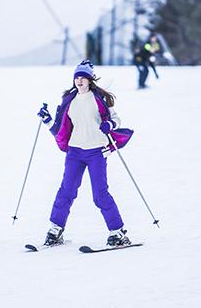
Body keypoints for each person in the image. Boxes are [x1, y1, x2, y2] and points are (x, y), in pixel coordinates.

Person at [36, 60, 134, 248]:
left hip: (96, 151)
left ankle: (118, 232)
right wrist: (47, 120)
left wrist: (110, 125)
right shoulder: (69, 101)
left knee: (100, 194)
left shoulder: (99, 99)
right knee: (66, 191)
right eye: (77, 78)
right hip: (75, 151)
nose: (79, 81)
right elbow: (60, 129)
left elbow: (116, 119)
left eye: (83, 78)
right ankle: (56, 230)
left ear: (90, 80)